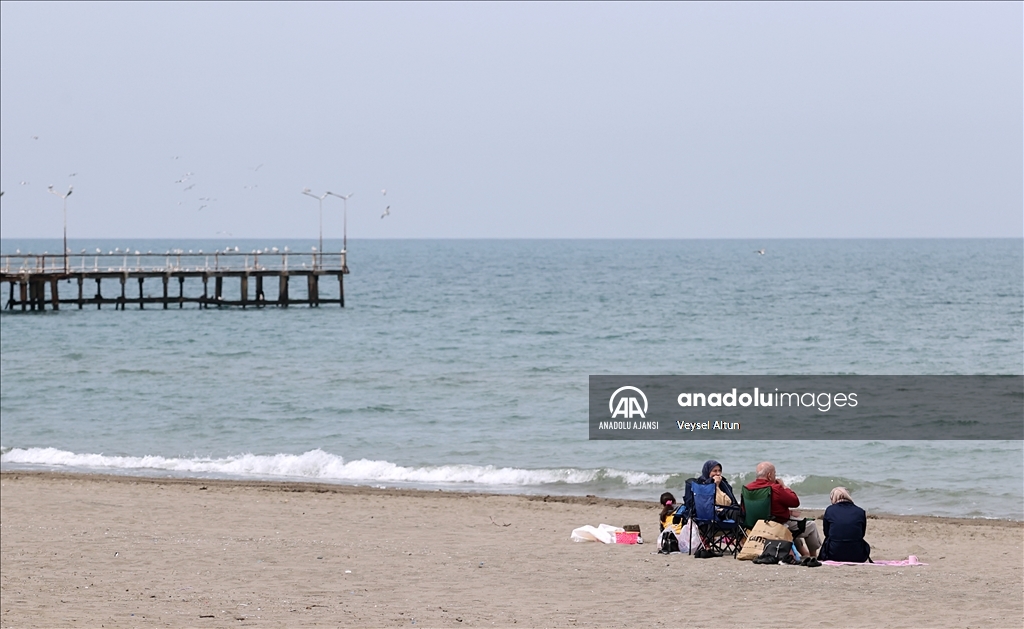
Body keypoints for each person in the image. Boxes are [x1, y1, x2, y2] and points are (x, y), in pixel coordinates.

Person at [744, 461, 822, 557]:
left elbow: (748, 509)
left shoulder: (747, 488)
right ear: (769, 475)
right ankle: (813, 555)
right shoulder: (775, 488)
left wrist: (787, 512)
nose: (775, 476)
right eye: (774, 473)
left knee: (791, 525)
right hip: (776, 525)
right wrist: (784, 486)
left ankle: (804, 553)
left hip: (754, 526)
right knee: (811, 525)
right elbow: (795, 502)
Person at [819, 487, 871, 562]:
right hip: (857, 555)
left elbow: (827, 533)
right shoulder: (860, 511)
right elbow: (862, 533)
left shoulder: (830, 510)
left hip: (833, 554)